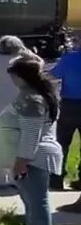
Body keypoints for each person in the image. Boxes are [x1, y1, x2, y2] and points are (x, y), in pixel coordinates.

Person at [0, 55, 63, 225]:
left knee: (37, 203)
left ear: (19, 76)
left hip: (33, 159)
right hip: (33, 157)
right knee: (32, 202)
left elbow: (30, 133)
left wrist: (22, 161)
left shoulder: (31, 99)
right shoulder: (36, 94)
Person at [0, 36, 35, 188]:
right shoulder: (24, 61)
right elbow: (40, 65)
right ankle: (14, 178)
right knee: (15, 142)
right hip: (19, 106)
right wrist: (27, 52)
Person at [48, 32, 81, 190]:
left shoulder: (69, 58)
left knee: (62, 142)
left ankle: (56, 178)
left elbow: (54, 74)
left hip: (70, 105)